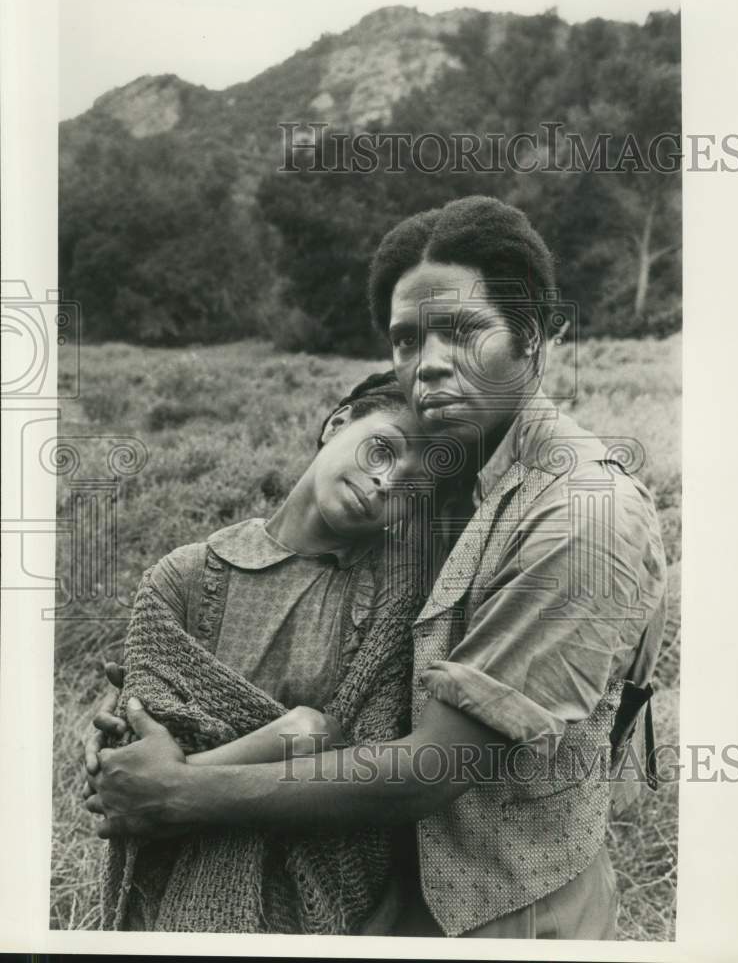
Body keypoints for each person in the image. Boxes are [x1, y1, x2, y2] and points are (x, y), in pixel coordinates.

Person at [85, 195, 668, 940]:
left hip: (511, 914)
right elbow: (310, 634)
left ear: (530, 336)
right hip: (393, 896)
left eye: (461, 332)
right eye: (404, 340)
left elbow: (431, 767)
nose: (426, 366)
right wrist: (143, 719)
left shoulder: (580, 514)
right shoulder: (448, 483)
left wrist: (178, 794)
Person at [85, 377, 434, 933]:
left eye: (413, 488)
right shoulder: (185, 575)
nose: (386, 482)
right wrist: (298, 731)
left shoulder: (398, 601)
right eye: (383, 449)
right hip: (172, 876)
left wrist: (171, 784)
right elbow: (137, 737)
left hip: (319, 895)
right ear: (337, 425)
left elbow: (374, 768)